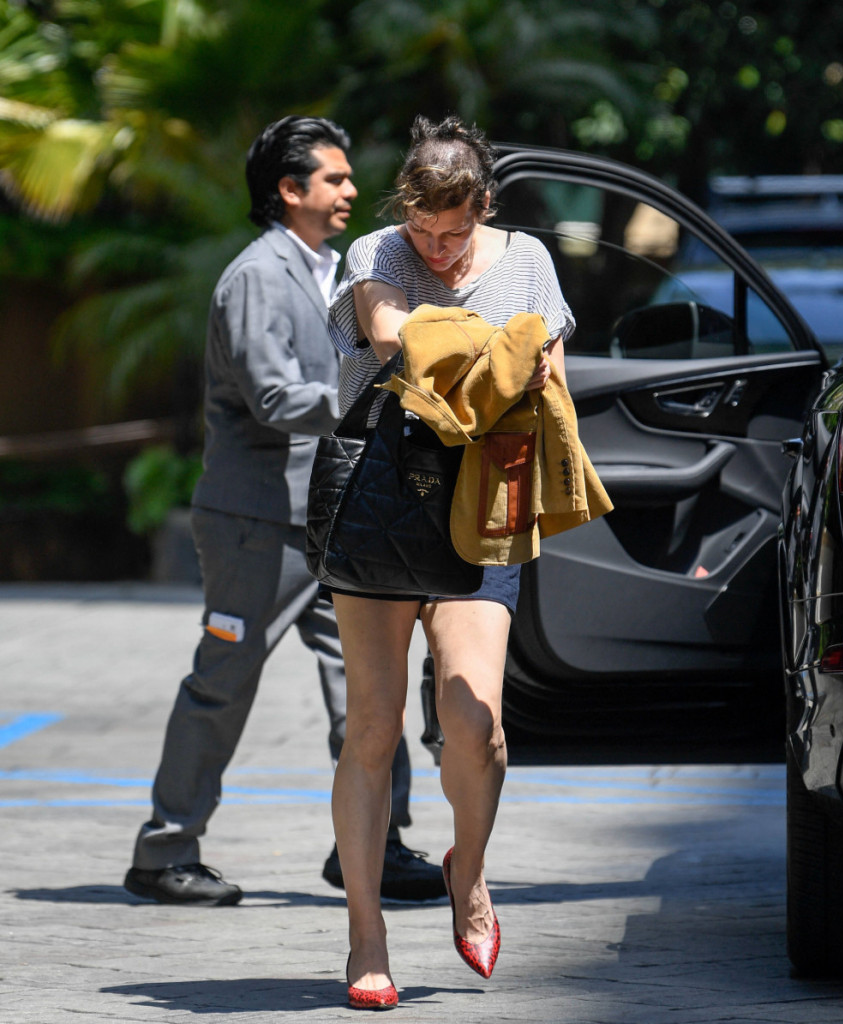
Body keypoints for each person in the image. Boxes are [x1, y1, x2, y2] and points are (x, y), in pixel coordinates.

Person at [123, 115, 445, 908]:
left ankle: (374, 845)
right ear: (289, 190)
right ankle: (163, 852)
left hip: (333, 516)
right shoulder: (257, 276)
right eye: (334, 178)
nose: (350, 190)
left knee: (368, 684)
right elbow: (271, 397)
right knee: (223, 680)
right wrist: (378, 391)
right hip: (258, 523)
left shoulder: (337, 268)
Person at [324, 114, 576, 1009]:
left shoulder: (529, 261)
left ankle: (467, 869)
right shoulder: (374, 253)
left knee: (476, 724)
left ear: (484, 206)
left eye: (453, 233)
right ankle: (365, 936)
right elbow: (394, 338)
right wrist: (504, 347)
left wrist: (522, 358)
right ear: (404, 210)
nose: (434, 248)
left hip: (483, 510)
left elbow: (551, 370)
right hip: (381, 504)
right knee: (371, 728)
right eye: (422, 230)